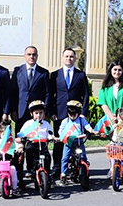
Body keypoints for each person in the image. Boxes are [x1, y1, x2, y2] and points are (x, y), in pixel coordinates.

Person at [49, 48, 89, 178]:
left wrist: (83, 112)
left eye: (71, 56)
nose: (69, 59)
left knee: (77, 141)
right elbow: (51, 95)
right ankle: (57, 167)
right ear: (62, 58)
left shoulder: (80, 75)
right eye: (66, 56)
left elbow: (86, 94)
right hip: (60, 114)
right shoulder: (55, 75)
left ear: (75, 58)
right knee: (59, 142)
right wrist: (52, 112)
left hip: (76, 115)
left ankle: (77, 166)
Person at [10, 46, 51, 131]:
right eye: (29, 54)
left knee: (37, 135)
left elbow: (48, 93)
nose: (31, 57)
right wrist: (13, 110)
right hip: (21, 111)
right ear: (25, 56)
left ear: (37, 56)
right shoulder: (18, 71)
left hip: (37, 112)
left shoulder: (43, 73)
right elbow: (13, 92)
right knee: (20, 136)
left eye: (34, 54)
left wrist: (45, 110)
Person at [58, 100, 97, 181]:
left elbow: (87, 126)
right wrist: (62, 136)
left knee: (83, 157)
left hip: (79, 142)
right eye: (70, 114)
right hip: (69, 142)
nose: (72, 116)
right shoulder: (65, 121)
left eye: (74, 114)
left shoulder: (81, 120)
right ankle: (63, 173)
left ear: (78, 113)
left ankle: (85, 170)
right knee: (65, 158)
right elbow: (60, 131)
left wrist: (92, 131)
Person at [17, 100, 54, 175]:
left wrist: (52, 138)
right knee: (29, 150)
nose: (38, 115)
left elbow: (50, 133)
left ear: (44, 113)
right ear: (31, 114)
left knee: (47, 157)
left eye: (41, 113)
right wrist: (20, 138)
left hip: (43, 144)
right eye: (36, 113)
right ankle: (30, 170)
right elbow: (21, 133)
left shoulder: (46, 124)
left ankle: (47, 173)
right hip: (32, 143)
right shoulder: (28, 124)